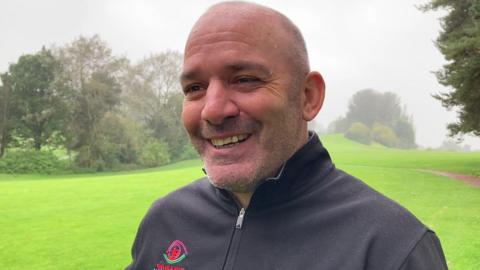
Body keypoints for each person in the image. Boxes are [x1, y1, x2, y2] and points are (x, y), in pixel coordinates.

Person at [126, 2, 448, 270]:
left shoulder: (392, 247)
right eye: (194, 88)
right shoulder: (164, 222)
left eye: (245, 79)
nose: (212, 110)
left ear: (307, 97)